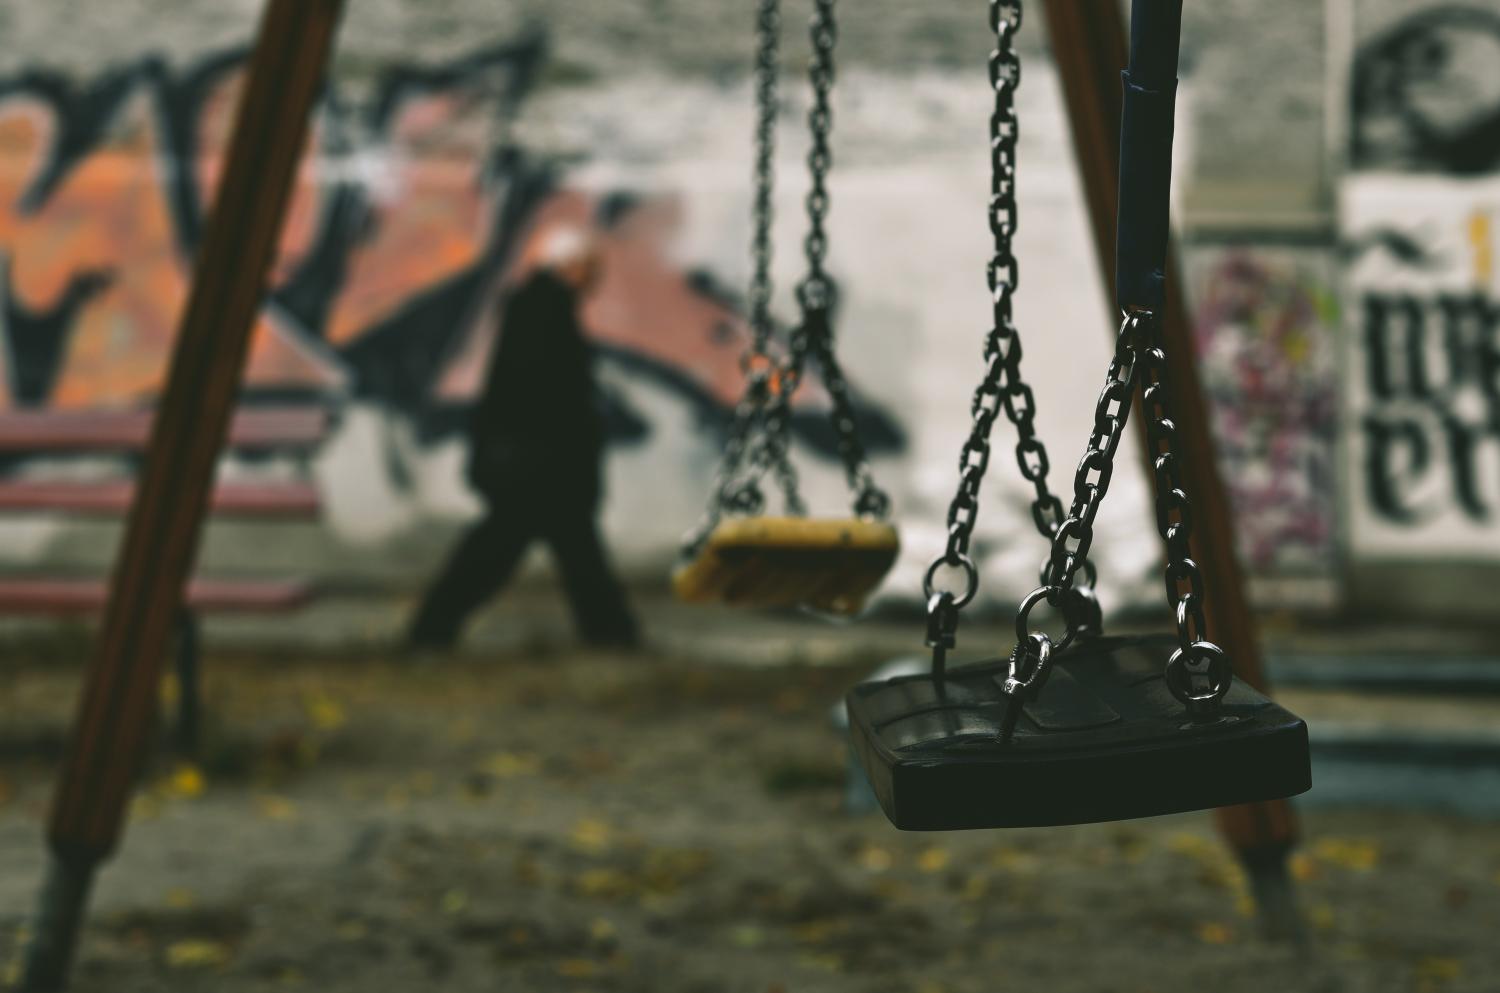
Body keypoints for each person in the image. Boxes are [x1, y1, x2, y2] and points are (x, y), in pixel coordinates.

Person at [406, 228, 640, 650]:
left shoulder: (533, 306)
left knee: (537, 554)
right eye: (590, 267)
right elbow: (549, 396)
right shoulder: (546, 309)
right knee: (534, 555)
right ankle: (612, 637)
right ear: (570, 266)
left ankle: (431, 632)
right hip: (541, 468)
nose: (596, 278)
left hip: (530, 465)